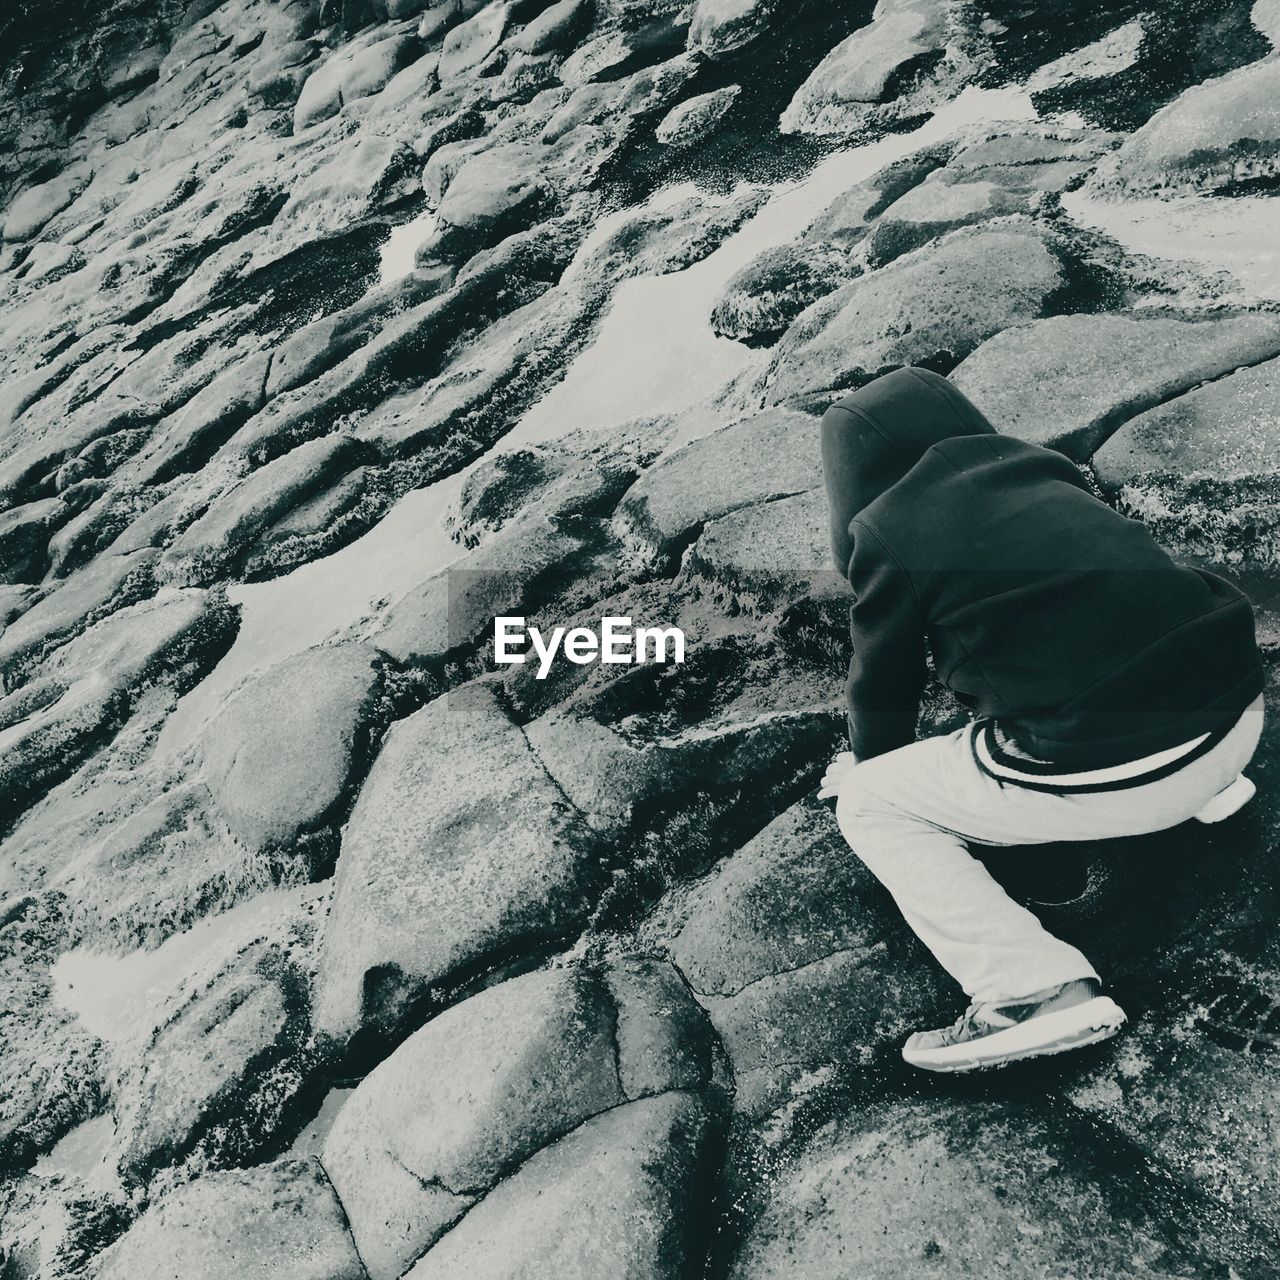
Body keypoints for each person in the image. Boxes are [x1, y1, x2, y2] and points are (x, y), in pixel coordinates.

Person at [816, 366, 1265, 1073]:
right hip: (1235, 716)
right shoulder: (1042, 469)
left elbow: (883, 687)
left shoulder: (888, 530)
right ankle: (1209, 791)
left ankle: (1032, 991)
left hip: (1132, 774)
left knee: (874, 807)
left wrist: (870, 767)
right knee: (1097, 640)